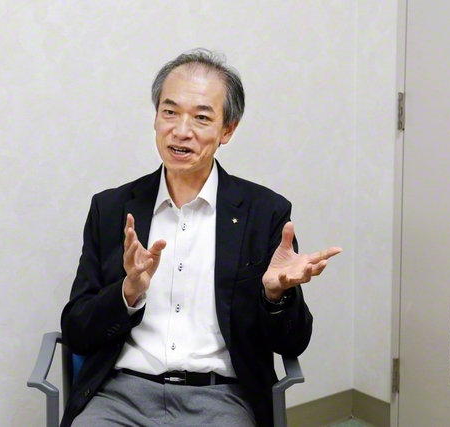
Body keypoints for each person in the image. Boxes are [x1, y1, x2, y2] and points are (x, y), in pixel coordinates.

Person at [60, 49, 342, 427]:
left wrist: (276, 296)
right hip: (121, 395)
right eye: (170, 112)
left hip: (220, 399)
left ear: (228, 130)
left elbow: (293, 343)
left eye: (202, 117)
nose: (181, 130)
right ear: (156, 117)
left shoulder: (264, 213)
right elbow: (76, 331)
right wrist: (127, 292)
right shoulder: (111, 209)